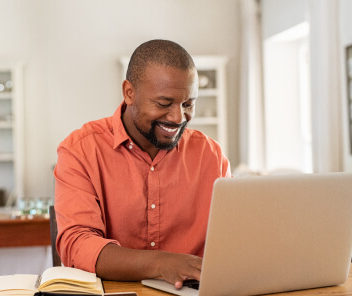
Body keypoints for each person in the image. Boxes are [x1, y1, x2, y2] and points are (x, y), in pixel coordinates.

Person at [54, 39, 231, 288]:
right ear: (129, 93)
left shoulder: (211, 156)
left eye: (188, 104)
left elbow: (231, 242)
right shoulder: (80, 150)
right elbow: (78, 245)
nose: (178, 117)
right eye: (163, 103)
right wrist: (162, 264)